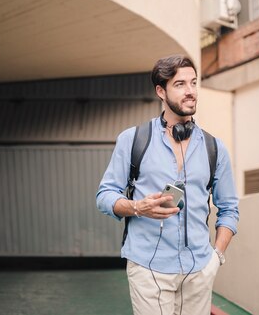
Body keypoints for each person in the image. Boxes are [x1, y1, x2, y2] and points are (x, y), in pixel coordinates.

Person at [96, 54, 239, 315]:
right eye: (180, 84)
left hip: (198, 271)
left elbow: (229, 209)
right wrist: (138, 207)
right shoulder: (133, 140)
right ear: (160, 91)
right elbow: (104, 196)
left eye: (194, 83)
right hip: (148, 268)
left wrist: (215, 258)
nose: (191, 92)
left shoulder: (214, 148)